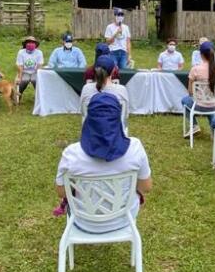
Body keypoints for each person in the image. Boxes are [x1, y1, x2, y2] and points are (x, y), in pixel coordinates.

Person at [55, 93, 152, 234]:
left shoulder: (72, 153)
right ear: (119, 118)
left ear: (89, 118)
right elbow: (146, 186)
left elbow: (61, 192)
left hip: (82, 221)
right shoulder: (135, 148)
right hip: (124, 220)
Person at [181, 41, 215, 136]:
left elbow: (190, 92)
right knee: (209, 102)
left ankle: (194, 125)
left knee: (185, 100)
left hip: (199, 105)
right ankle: (213, 127)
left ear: (201, 55)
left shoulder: (195, 70)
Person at [80, 54, 129, 123]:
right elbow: (125, 115)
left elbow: (83, 111)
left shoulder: (86, 88)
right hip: (115, 132)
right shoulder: (121, 90)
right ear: (113, 71)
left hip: (91, 131)